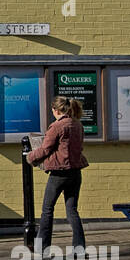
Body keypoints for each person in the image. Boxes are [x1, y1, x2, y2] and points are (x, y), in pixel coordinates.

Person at [26, 96, 89, 251]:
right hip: (75, 172)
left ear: (55, 110)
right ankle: (79, 248)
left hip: (59, 173)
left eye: (52, 110)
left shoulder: (57, 126)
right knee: (72, 210)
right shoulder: (77, 125)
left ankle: (42, 247)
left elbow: (46, 148)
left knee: (47, 209)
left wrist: (30, 157)